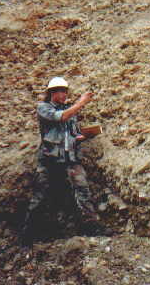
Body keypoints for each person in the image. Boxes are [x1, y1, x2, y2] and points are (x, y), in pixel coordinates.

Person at [20, 77, 111, 245]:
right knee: (40, 197)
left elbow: (72, 134)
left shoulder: (69, 111)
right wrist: (81, 103)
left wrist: (83, 136)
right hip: (49, 160)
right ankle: (28, 235)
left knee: (82, 190)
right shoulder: (44, 108)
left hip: (70, 158)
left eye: (64, 91)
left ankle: (92, 228)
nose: (63, 94)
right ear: (51, 93)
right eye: (59, 91)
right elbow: (59, 117)